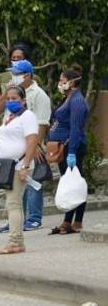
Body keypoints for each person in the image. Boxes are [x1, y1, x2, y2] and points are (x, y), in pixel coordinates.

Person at [0, 60, 51, 231]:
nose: (13, 76)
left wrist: (36, 145)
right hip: (13, 146)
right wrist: (7, 94)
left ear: (27, 75)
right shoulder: (11, 95)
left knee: (32, 180)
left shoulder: (39, 95)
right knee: (15, 190)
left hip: (31, 144)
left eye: (16, 73)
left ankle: (33, 217)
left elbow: (42, 122)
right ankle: (16, 220)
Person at [0, 86, 39, 255]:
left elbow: (32, 142)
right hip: (5, 166)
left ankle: (14, 242)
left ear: (23, 100)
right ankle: (17, 241)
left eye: (14, 98)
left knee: (13, 203)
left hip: (19, 166)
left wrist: (25, 165)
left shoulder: (28, 116)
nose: (10, 101)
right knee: (12, 203)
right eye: (8, 98)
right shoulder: (8, 116)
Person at [0, 43, 33, 210]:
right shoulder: (4, 77)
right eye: (13, 58)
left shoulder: (34, 80)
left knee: (19, 174)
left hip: (24, 130)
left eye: (19, 58)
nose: (15, 61)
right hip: (6, 126)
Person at [49, 68, 90, 235]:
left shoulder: (77, 101)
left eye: (63, 80)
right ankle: (67, 221)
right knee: (69, 184)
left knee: (75, 185)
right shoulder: (68, 98)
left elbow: (75, 128)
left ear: (72, 82)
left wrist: (72, 151)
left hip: (71, 147)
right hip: (63, 146)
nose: (60, 83)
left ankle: (77, 221)